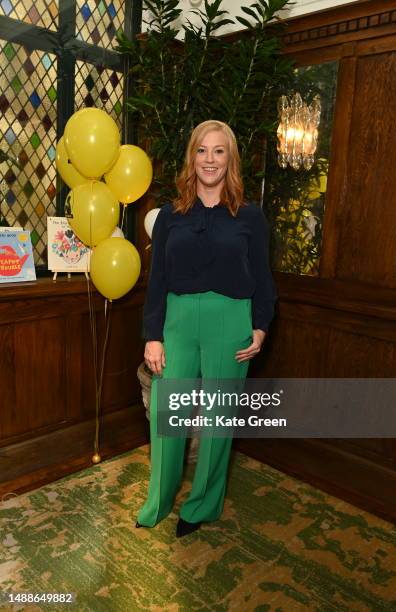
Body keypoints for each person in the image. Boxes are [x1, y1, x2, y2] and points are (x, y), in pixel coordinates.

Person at [136, 119, 277, 538]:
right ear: (191, 157)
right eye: (202, 150)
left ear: (230, 159)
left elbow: (265, 281)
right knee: (168, 415)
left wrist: (260, 328)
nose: (209, 160)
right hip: (177, 322)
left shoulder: (250, 218)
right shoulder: (169, 216)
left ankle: (202, 505)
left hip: (230, 320)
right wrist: (153, 335)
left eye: (219, 151)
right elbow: (157, 277)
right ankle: (157, 501)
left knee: (218, 420)